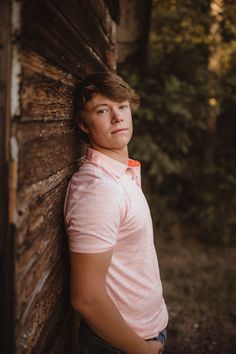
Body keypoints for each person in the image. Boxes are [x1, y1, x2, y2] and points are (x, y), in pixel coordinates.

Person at [64, 72, 168, 354]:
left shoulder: (120, 173)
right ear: (83, 125)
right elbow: (86, 297)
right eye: (102, 110)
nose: (117, 117)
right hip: (120, 344)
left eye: (121, 106)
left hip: (144, 330)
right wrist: (141, 350)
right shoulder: (99, 190)